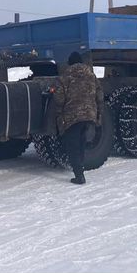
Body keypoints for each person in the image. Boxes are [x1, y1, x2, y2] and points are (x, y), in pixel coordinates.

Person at [54, 52, 103, 185]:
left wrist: (59, 115)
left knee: (73, 146)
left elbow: (59, 98)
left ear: (70, 63)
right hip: (89, 115)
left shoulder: (65, 77)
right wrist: (98, 115)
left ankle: (79, 175)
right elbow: (99, 96)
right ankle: (81, 168)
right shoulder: (91, 75)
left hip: (72, 117)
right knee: (81, 143)